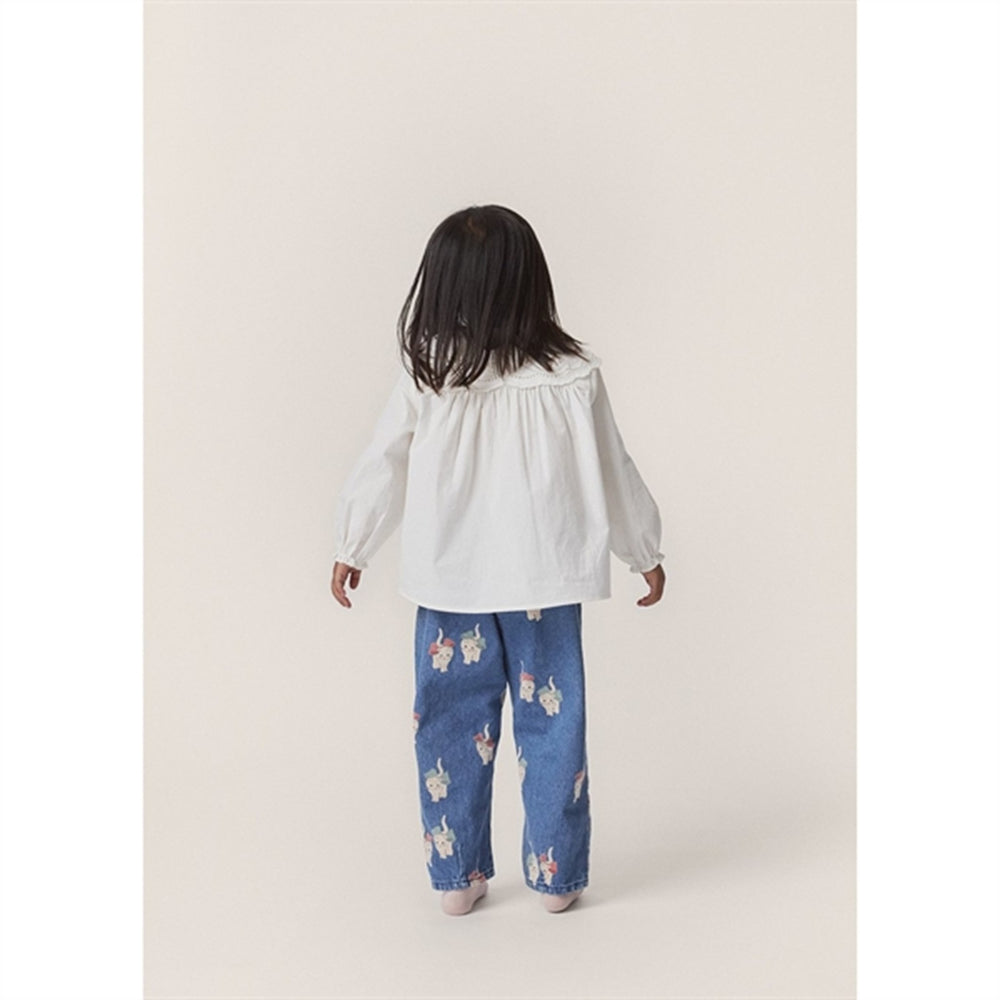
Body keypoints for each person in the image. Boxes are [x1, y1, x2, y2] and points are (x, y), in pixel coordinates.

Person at [329, 205, 667, 916]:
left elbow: (384, 462)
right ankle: (557, 875)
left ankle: (457, 877)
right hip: (547, 579)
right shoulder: (572, 375)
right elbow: (615, 469)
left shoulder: (431, 373)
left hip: (451, 582)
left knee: (449, 724)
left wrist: (353, 543)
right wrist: (642, 548)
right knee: (554, 728)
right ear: (530, 282)